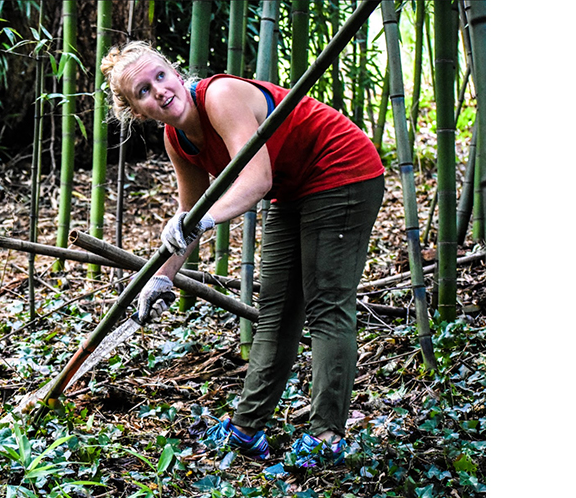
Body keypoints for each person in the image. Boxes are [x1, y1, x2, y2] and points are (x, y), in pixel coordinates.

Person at [101, 41, 385, 467]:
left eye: (160, 76)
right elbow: (189, 215)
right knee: (276, 310)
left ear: (176, 73)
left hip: (341, 168)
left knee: (326, 305)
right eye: (143, 90)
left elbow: (256, 180)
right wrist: (161, 277)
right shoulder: (176, 138)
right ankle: (247, 429)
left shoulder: (220, 96)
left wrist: (200, 221)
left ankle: (327, 436)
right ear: (137, 111)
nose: (159, 91)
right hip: (292, 188)